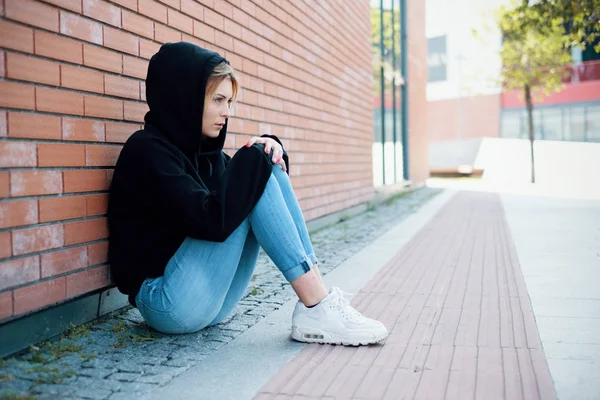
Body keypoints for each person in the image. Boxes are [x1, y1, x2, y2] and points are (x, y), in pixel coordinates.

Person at [107, 42, 388, 346]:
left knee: (267, 166)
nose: (226, 112)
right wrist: (255, 160)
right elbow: (209, 222)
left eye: (229, 101)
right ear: (185, 98)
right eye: (217, 99)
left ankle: (319, 300)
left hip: (214, 302)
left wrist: (271, 151)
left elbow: (248, 188)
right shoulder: (146, 150)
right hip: (165, 302)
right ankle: (317, 306)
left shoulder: (207, 154)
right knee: (256, 171)